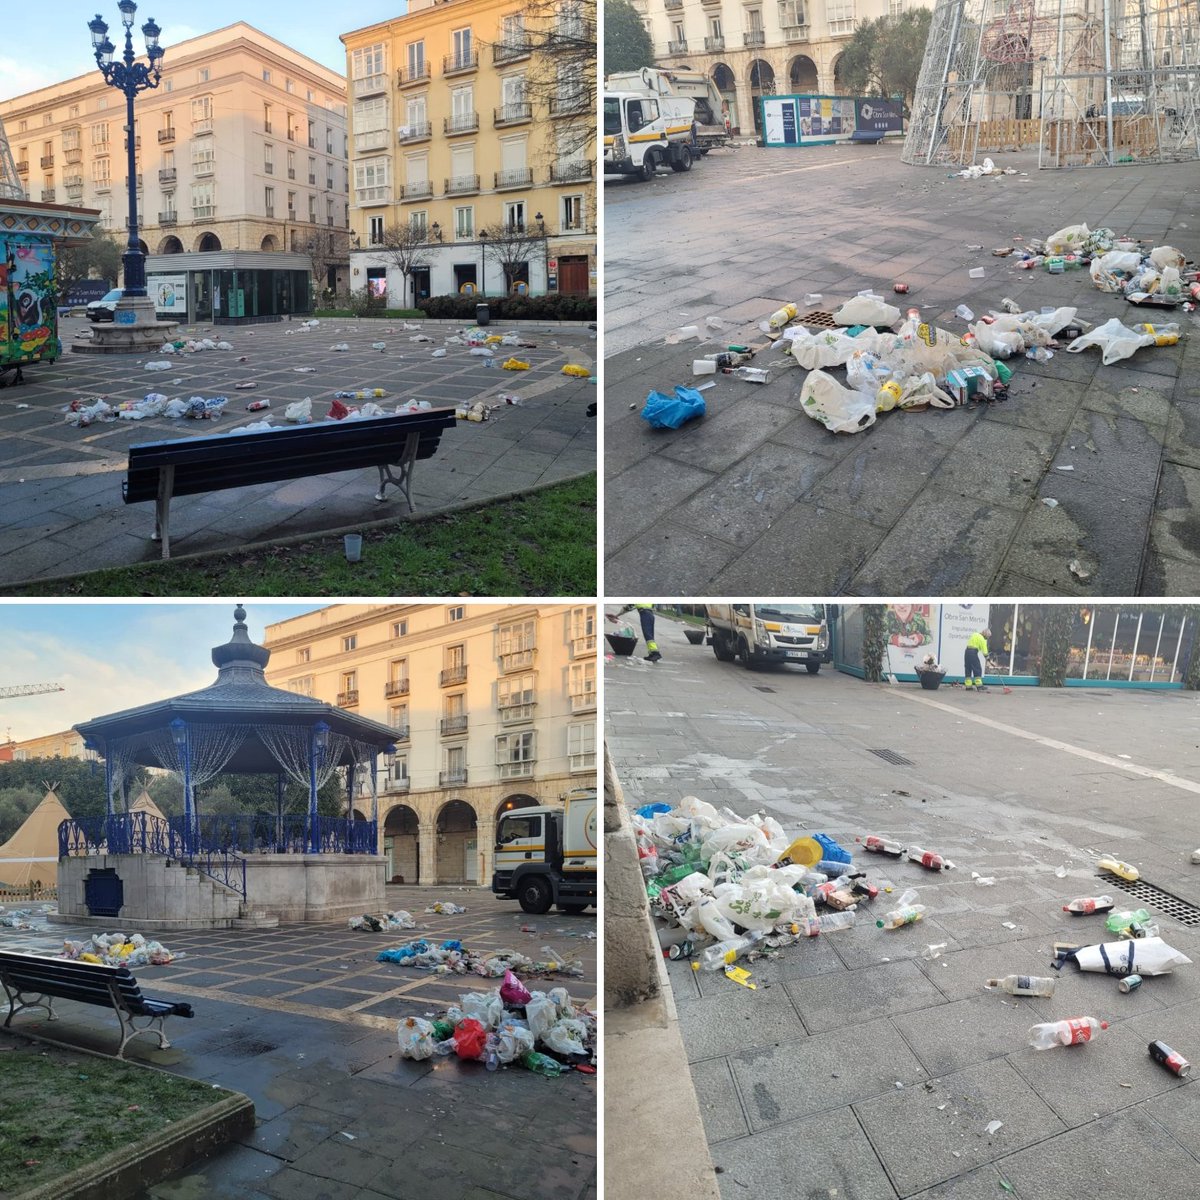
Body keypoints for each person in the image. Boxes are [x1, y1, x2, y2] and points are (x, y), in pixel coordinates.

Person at [964, 627, 990, 692]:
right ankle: (979, 686)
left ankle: (968, 686)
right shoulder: (982, 639)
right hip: (973, 653)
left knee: (968, 668)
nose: (987, 638)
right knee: (977, 668)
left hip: (967, 652)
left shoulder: (974, 634)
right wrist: (988, 658)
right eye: (988, 637)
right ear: (985, 635)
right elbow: (985, 651)